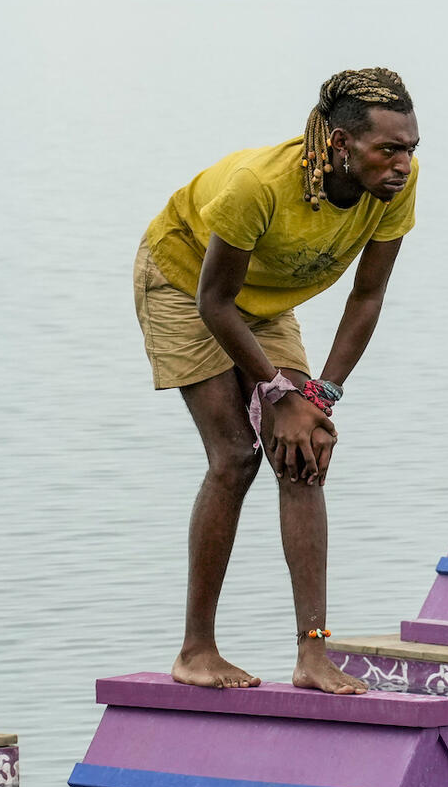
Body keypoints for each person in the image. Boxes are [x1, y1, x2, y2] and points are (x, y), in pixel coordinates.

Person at [136, 68, 420, 693]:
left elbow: (367, 295)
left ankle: (312, 655)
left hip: (263, 301)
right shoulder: (258, 186)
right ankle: (196, 650)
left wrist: (318, 396)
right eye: (388, 150)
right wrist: (273, 391)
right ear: (342, 144)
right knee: (235, 456)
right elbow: (214, 302)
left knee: (303, 450)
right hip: (187, 280)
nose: (402, 164)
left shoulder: (397, 186)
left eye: (410, 149)